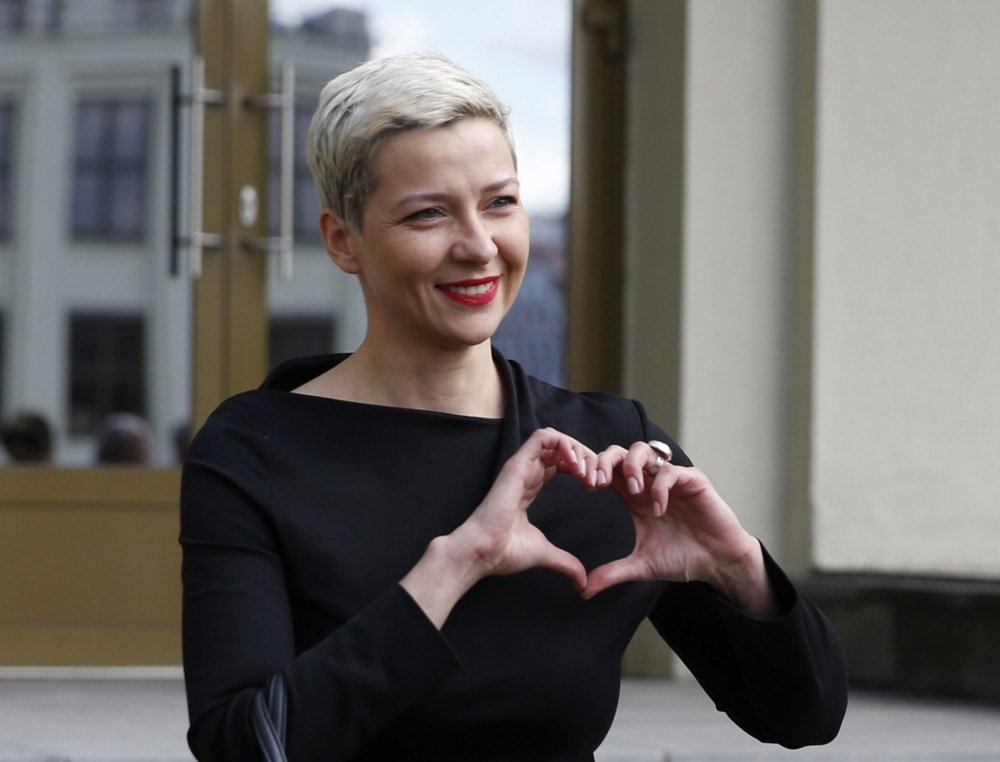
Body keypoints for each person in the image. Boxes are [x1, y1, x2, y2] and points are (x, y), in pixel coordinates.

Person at [180, 52, 847, 761]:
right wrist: (457, 565)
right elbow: (245, 746)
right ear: (344, 241)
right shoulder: (257, 449)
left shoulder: (609, 451)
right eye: (428, 213)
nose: (479, 246)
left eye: (500, 202)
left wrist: (738, 569)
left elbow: (805, 717)